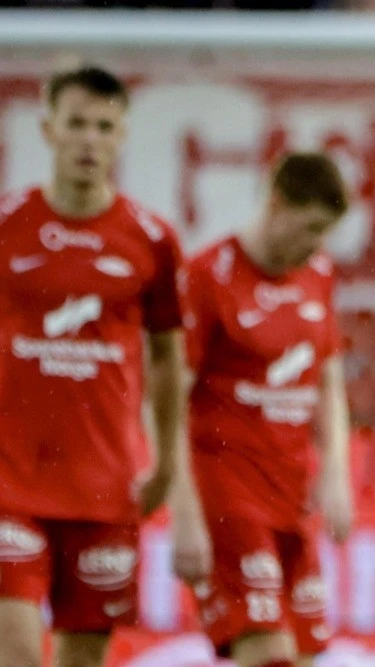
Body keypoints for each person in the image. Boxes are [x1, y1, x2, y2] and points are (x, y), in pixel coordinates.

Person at [0, 65, 211, 666]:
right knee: (17, 652)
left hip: (104, 488)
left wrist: (165, 463)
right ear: (48, 130)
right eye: (76, 124)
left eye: (102, 126)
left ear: (121, 136)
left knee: (83, 660)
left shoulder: (151, 239)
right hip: (10, 482)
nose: (88, 140)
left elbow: (167, 360)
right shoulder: (8, 225)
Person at [177, 152, 354, 667]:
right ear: (276, 205)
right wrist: (184, 513)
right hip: (228, 493)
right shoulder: (207, 276)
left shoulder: (318, 273)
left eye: (326, 232)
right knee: (268, 654)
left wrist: (336, 473)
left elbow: (328, 382)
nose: (317, 244)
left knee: (303, 654)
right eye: (310, 228)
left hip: (292, 494)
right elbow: (165, 402)